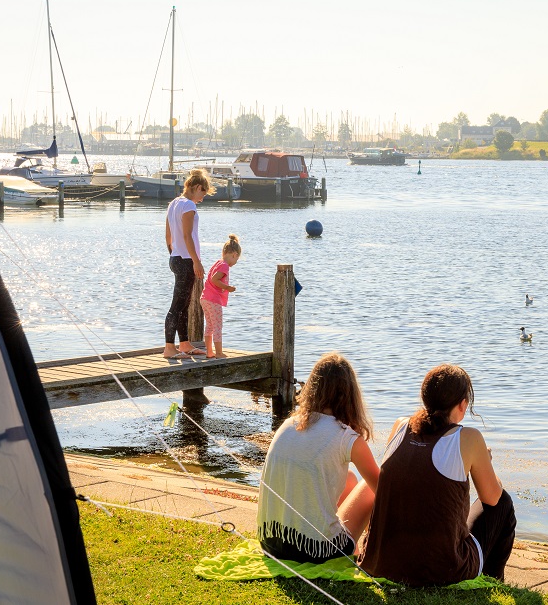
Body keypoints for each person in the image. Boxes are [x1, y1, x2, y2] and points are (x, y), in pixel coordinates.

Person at [359, 364, 515, 586]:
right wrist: (485, 463)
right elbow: (492, 498)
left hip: (380, 564)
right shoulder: (469, 437)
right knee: (503, 503)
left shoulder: (400, 426)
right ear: (462, 404)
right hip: (443, 571)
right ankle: (493, 581)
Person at [257, 352, 378, 564]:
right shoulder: (347, 437)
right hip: (314, 551)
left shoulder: (289, 424)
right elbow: (385, 491)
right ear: (350, 395)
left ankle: (350, 546)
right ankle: (366, 551)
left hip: (270, 542)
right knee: (369, 487)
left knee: (349, 479)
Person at [162, 169, 215, 359]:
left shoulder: (173, 204)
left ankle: (184, 344)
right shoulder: (189, 206)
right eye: (203, 194)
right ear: (197, 187)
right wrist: (196, 261)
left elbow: (168, 236)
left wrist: (174, 255)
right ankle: (169, 347)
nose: (202, 198)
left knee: (184, 305)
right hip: (186, 260)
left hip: (176, 258)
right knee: (177, 306)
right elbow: (187, 236)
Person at [200, 234, 240, 358]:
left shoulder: (218, 263)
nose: (235, 263)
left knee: (210, 325)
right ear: (234, 255)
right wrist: (227, 287)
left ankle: (209, 352)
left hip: (205, 298)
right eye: (236, 260)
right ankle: (218, 352)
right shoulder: (224, 266)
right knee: (217, 326)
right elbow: (214, 279)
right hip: (213, 299)